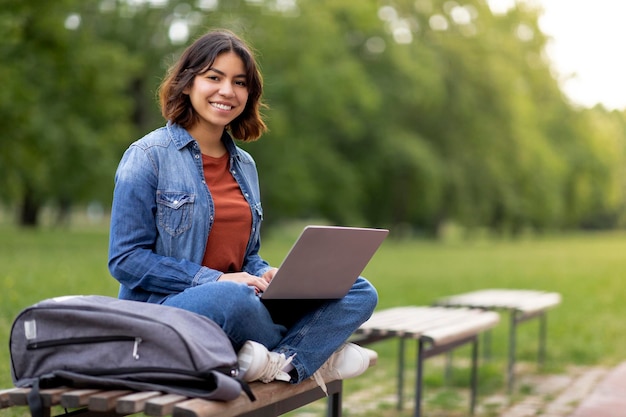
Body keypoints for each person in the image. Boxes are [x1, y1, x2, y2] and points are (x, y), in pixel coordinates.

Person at [108, 29, 378, 390]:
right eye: (214, 77)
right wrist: (215, 279)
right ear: (188, 83)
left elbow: (245, 257)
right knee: (234, 298)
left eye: (239, 82)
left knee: (358, 290)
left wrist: (267, 275)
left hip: (240, 298)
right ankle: (318, 354)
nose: (227, 91)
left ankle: (279, 361)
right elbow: (125, 260)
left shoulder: (245, 165)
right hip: (168, 310)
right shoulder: (146, 157)